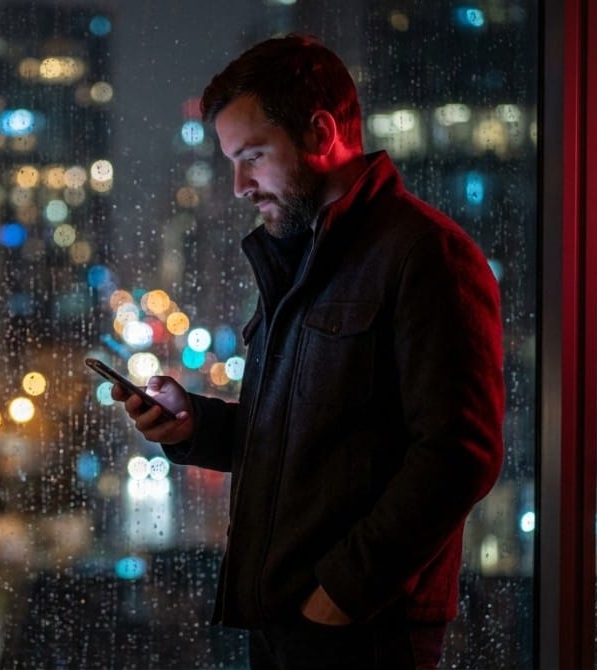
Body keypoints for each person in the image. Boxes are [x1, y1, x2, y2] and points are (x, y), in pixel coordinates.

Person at [111, 34, 505, 669]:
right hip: (288, 621)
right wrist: (196, 427)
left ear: (320, 133)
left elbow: (460, 453)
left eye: (254, 156)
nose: (239, 185)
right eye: (232, 162)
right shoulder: (299, 260)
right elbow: (310, 433)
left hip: (362, 633)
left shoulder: (425, 255)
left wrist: (341, 594)